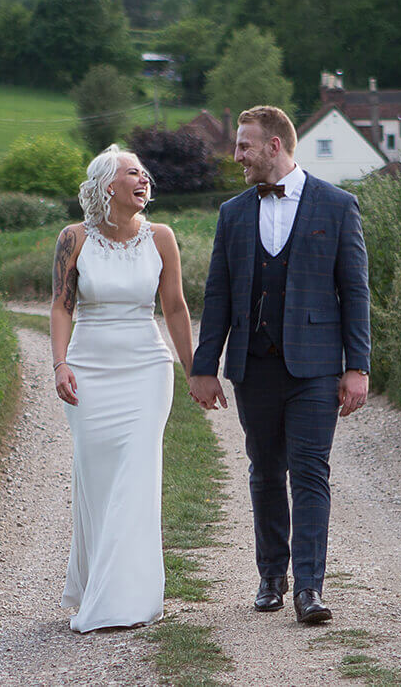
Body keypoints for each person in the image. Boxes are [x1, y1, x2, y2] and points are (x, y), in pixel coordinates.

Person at [188, 106, 371, 624]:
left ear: (275, 146)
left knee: (310, 472)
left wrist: (357, 366)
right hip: (254, 366)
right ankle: (271, 575)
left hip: (315, 367)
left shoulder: (338, 206)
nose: (237, 154)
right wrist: (205, 366)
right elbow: (217, 295)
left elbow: (355, 293)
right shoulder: (233, 213)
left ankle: (309, 589)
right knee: (265, 471)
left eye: (244, 145)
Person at [52, 145, 195, 633]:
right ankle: (98, 584)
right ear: (107, 186)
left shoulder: (162, 238)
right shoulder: (73, 238)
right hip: (89, 370)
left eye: (144, 173)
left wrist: (195, 369)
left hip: (146, 371)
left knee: (136, 479)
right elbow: (60, 306)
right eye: (132, 173)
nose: (143, 179)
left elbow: (174, 308)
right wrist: (59, 364)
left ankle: (129, 597)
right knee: (97, 481)